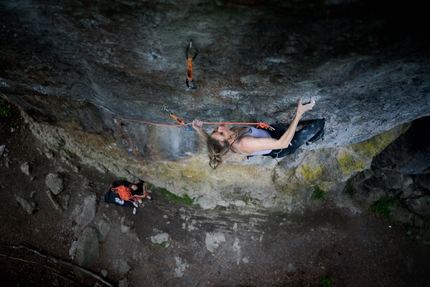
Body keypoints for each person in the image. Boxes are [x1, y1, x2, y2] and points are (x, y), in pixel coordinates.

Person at [192, 97, 325, 169]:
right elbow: (283, 143)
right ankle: (313, 139)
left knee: (284, 128)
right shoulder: (245, 143)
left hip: (270, 133)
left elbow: (213, 142)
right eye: (221, 133)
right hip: (283, 145)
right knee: (319, 124)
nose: (219, 128)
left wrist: (199, 129)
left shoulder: (224, 140)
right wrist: (299, 113)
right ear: (227, 142)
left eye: (215, 130)